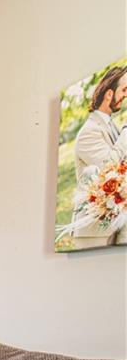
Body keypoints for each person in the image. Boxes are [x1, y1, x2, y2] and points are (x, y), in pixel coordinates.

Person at [73, 65, 127, 248]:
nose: (126, 95)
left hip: (114, 226)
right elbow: (109, 166)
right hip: (94, 232)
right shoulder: (89, 132)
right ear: (109, 94)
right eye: (124, 90)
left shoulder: (111, 127)